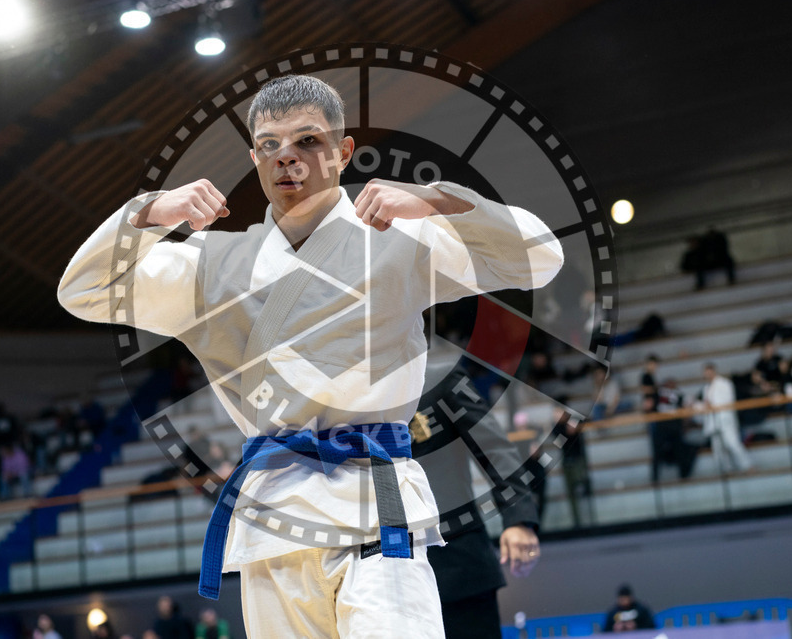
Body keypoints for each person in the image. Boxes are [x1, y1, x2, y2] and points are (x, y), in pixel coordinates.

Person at [58, 74, 564, 638]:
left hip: (375, 501)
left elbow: (541, 257)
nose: (286, 157)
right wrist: (147, 213)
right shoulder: (211, 264)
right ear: (254, 158)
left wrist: (434, 199)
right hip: (275, 516)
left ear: (343, 153)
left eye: (307, 141)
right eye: (269, 145)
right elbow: (83, 292)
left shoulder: (400, 238)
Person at [413, 359, 541, 639]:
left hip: (457, 564)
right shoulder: (343, 401)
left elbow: (494, 448)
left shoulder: (440, 378)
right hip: (378, 573)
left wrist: (518, 519)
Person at [696, 364, 752, 473]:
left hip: (725, 419)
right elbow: (706, 404)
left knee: (732, 443)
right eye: (705, 373)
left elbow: (728, 400)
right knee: (718, 449)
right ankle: (726, 470)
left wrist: (711, 405)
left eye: (709, 372)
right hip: (713, 421)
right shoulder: (706, 388)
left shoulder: (725, 383)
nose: (707, 374)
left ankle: (748, 465)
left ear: (714, 371)